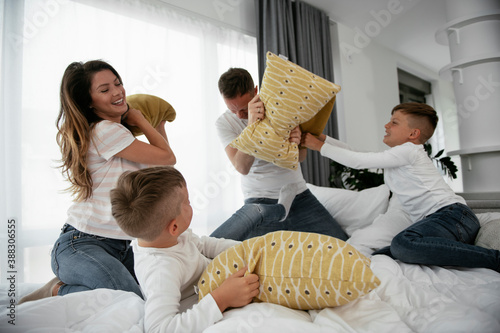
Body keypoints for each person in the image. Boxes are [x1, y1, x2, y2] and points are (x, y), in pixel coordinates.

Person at [19, 60, 176, 304]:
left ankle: (68, 286)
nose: (117, 92)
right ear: (89, 102)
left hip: (121, 246)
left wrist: (157, 124)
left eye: (118, 83)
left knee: (152, 296)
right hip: (81, 244)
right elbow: (168, 156)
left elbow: (164, 166)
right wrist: (142, 121)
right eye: (104, 90)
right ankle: (56, 291)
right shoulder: (105, 131)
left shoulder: (122, 137)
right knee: (128, 300)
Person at [301, 102, 500, 272]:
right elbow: (359, 153)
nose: (387, 125)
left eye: (394, 122)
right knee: (383, 253)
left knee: (402, 244)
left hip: (453, 217)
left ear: (413, 133)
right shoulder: (401, 156)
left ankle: (495, 259)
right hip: (446, 225)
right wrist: (325, 139)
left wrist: (319, 147)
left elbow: (360, 160)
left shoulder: (410, 151)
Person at [110, 166, 260, 332]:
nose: (191, 203)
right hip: (202, 308)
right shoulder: (161, 270)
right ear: (174, 226)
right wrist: (222, 298)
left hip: (214, 282)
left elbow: (205, 245)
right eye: (187, 201)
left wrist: (248, 249)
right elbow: (158, 328)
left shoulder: (170, 236)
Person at [210, 68, 347, 242]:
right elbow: (242, 167)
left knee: (341, 244)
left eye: (244, 109)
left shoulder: (282, 108)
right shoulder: (224, 123)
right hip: (258, 200)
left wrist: (298, 143)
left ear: (255, 91)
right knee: (252, 260)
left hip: (299, 195)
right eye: (232, 110)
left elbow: (300, 158)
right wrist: (251, 125)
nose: (239, 115)